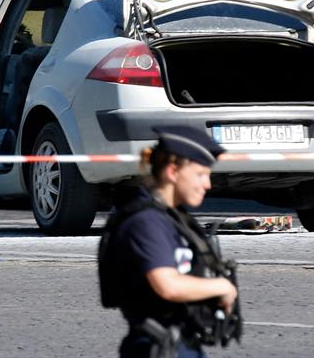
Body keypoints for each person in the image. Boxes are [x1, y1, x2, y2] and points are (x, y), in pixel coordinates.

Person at [98, 126, 242, 358]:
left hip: (178, 344)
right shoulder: (146, 222)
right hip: (158, 347)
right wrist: (222, 287)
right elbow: (167, 285)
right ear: (173, 172)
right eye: (200, 174)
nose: (208, 184)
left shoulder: (169, 218)